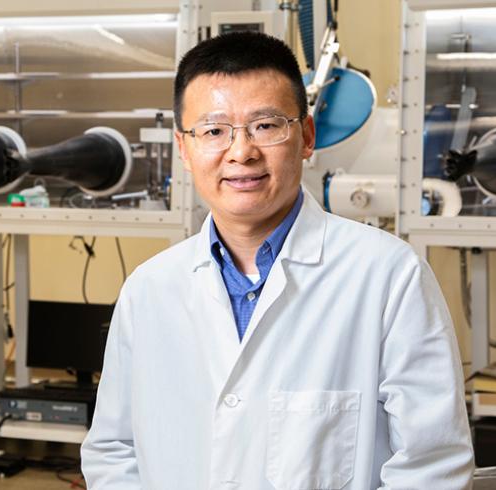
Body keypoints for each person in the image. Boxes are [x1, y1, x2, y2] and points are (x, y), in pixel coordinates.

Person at [81, 31, 473, 489]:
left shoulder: (388, 275)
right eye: (213, 131)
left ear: (306, 136)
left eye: (265, 126)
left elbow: (432, 466)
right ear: (184, 149)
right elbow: (113, 449)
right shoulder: (150, 289)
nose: (241, 151)